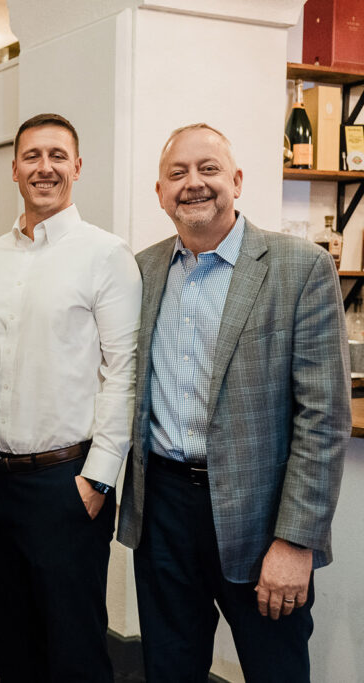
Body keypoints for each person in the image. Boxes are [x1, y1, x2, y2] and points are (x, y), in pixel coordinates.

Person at [117, 123, 350, 681]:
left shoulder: (300, 267)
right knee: (169, 669)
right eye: (177, 173)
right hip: (163, 513)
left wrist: (296, 541)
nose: (193, 183)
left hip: (261, 519)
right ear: (160, 192)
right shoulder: (141, 270)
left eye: (209, 169)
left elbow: (323, 419)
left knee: (276, 670)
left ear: (237, 181)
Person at [0, 113, 142, 681]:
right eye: (32, 156)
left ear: (78, 167)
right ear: (14, 169)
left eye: (57, 156)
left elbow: (124, 371)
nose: (44, 168)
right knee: (11, 643)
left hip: (67, 483)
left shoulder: (106, 254)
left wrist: (99, 480)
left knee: (75, 652)